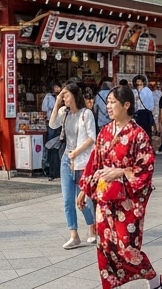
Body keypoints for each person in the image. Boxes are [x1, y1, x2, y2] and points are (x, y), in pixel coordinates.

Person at [76, 85, 162, 289]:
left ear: (126, 105)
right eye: (107, 102)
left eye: (113, 102)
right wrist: (84, 190)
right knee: (105, 244)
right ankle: (109, 284)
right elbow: (94, 162)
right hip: (105, 196)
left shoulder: (138, 135)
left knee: (126, 246)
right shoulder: (105, 132)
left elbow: (146, 166)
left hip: (128, 200)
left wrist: (121, 172)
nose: (108, 106)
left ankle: (153, 277)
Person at [50, 82, 97, 249]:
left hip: (82, 161)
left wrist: (76, 152)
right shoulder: (64, 113)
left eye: (66, 95)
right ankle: (74, 234)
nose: (64, 98)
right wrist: (56, 102)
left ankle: (92, 228)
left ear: (75, 96)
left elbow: (92, 138)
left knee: (83, 199)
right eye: (62, 95)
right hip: (66, 160)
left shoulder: (86, 114)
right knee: (67, 200)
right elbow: (52, 124)